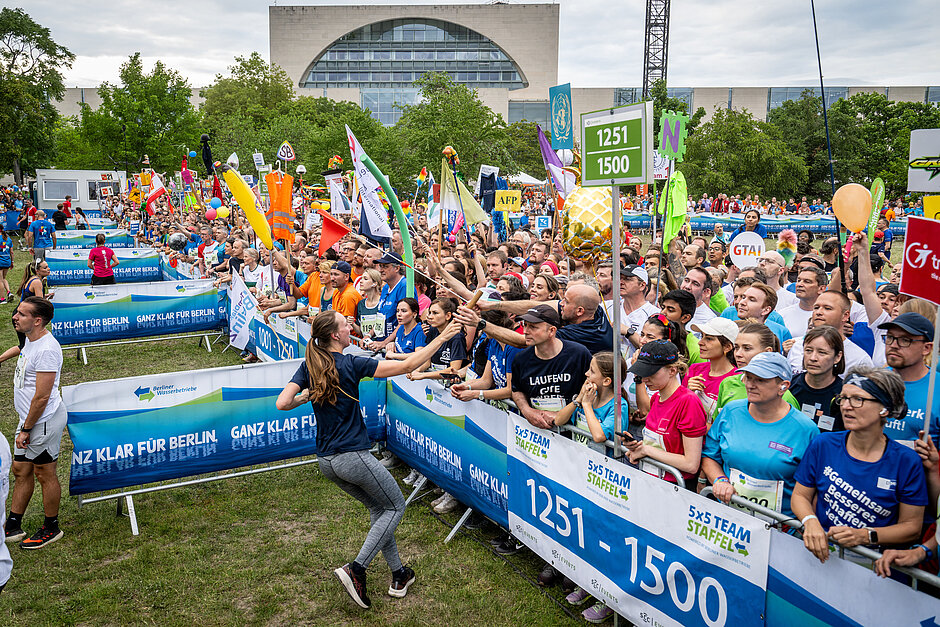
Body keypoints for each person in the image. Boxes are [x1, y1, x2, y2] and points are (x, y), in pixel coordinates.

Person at [276, 311, 461, 608]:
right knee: (396, 506)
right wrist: (443, 336)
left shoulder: (310, 364)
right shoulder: (351, 363)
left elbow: (282, 402)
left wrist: (308, 395)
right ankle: (357, 568)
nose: (350, 326)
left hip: (327, 461)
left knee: (380, 508)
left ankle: (399, 573)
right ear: (335, 335)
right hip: (352, 456)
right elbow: (411, 364)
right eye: (345, 324)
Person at [792, 368, 927, 563]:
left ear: (885, 409)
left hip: (874, 570)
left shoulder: (906, 461)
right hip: (821, 558)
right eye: (843, 398)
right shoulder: (824, 444)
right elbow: (800, 495)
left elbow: (912, 527)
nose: (846, 406)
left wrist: (865, 536)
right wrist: (810, 521)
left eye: (858, 399)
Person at [702, 352, 818, 517]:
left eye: (760, 380)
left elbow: (813, 486)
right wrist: (720, 480)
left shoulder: (806, 430)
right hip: (730, 519)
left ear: (783, 386)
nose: (750, 385)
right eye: (748, 377)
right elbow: (710, 456)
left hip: (779, 528)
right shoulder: (731, 411)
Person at [1, 297, 66, 549]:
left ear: (37, 321)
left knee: (43, 472)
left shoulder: (47, 350)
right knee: (21, 469)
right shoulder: (30, 339)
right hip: (28, 418)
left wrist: (26, 429)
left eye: (22, 314)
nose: (15, 317)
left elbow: (42, 396)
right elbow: (22, 350)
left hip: (42, 420)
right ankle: (14, 524)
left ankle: (51, 527)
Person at [625, 340, 707, 489]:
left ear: (672, 371)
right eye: (642, 373)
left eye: (651, 373)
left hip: (675, 487)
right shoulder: (656, 398)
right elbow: (662, 446)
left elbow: (691, 464)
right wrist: (638, 447)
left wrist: (647, 450)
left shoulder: (688, 402)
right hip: (651, 479)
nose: (644, 379)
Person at [510, 304, 592, 430]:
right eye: (525, 325)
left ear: (552, 331)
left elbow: (592, 388)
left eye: (533, 327)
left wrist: (563, 414)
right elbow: (517, 390)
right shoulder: (521, 359)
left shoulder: (578, 354)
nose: (525, 331)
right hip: (537, 431)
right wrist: (527, 411)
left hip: (573, 431)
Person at [878, 312, 940, 444]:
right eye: (890, 337)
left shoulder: (936, 388)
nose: (894, 345)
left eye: (905, 340)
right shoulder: (874, 381)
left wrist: (935, 464)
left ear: (926, 348)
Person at [715, 323, 800, 412]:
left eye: (747, 348)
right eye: (736, 347)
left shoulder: (782, 395)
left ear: (767, 352)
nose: (738, 354)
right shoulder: (727, 383)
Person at [789, 325, 846, 433]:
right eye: (808, 350)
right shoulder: (789, 386)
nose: (813, 358)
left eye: (822, 352)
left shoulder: (844, 393)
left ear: (837, 357)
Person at [683, 318, 739, 418]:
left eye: (709, 338)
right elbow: (678, 409)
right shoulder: (695, 369)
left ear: (727, 347)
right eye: (702, 336)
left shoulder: (736, 380)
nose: (700, 342)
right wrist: (688, 392)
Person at [779, 266, 828, 339]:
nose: (800, 284)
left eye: (807, 281)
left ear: (821, 288)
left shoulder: (829, 316)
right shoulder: (782, 315)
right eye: (798, 280)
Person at [14, 261, 49, 350]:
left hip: (21, 313)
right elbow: (40, 303)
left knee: (27, 345)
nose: (48, 269)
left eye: (47, 266)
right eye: (45, 268)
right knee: (24, 346)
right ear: (37, 271)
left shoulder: (32, 279)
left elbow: (32, 297)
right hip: (22, 315)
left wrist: (45, 296)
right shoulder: (37, 282)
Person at [349, 268, 383, 340]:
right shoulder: (361, 304)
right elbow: (362, 332)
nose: (361, 281)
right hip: (366, 347)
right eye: (361, 278)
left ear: (375, 283)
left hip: (380, 347)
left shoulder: (382, 303)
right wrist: (353, 324)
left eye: (365, 279)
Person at [0, 226, 13, 302]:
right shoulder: (8, 239)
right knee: (3, 278)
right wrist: (12, 262)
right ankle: (9, 292)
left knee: (0, 281)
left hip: (0, 261)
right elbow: (11, 252)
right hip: (7, 261)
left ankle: (2, 299)